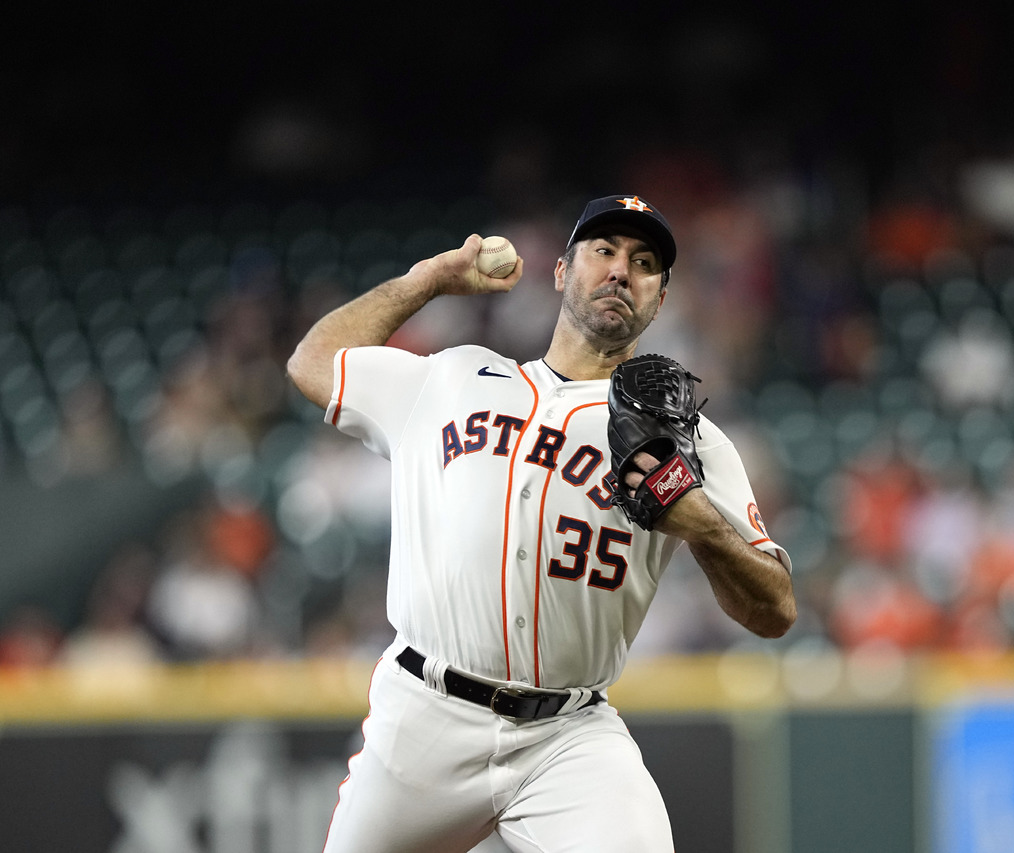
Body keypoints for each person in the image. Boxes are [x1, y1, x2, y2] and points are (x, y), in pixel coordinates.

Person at [286, 194, 796, 852]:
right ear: (561, 271)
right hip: (422, 718)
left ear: (660, 300)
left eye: (644, 263)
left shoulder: (686, 440)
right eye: (603, 251)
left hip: (567, 737)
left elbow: (775, 609)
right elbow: (311, 362)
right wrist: (426, 282)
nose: (621, 270)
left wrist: (700, 524)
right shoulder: (453, 378)